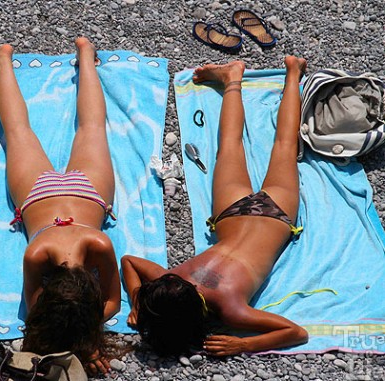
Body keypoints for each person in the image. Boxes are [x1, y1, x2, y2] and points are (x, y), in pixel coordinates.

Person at [122, 57, 309, 356]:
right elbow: (129, 261)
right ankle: (233, 77)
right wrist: (137, 297)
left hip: (275, 217)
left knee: (284, 146)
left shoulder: (230, 308)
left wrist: (245, 344)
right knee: (231, 144)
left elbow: (296, 331)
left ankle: (292, 72)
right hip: (232, 215)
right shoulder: (173, 280)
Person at [0, 37, 121, 374]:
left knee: (28, 131)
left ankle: (14, 61)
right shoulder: (39, 254)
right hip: (43, 197)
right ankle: (11, 62)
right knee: (31, 131)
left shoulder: (97, 244)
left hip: (85, 195)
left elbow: (110, 302)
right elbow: (113, 303)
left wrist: (83, 324)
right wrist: (85, 336)